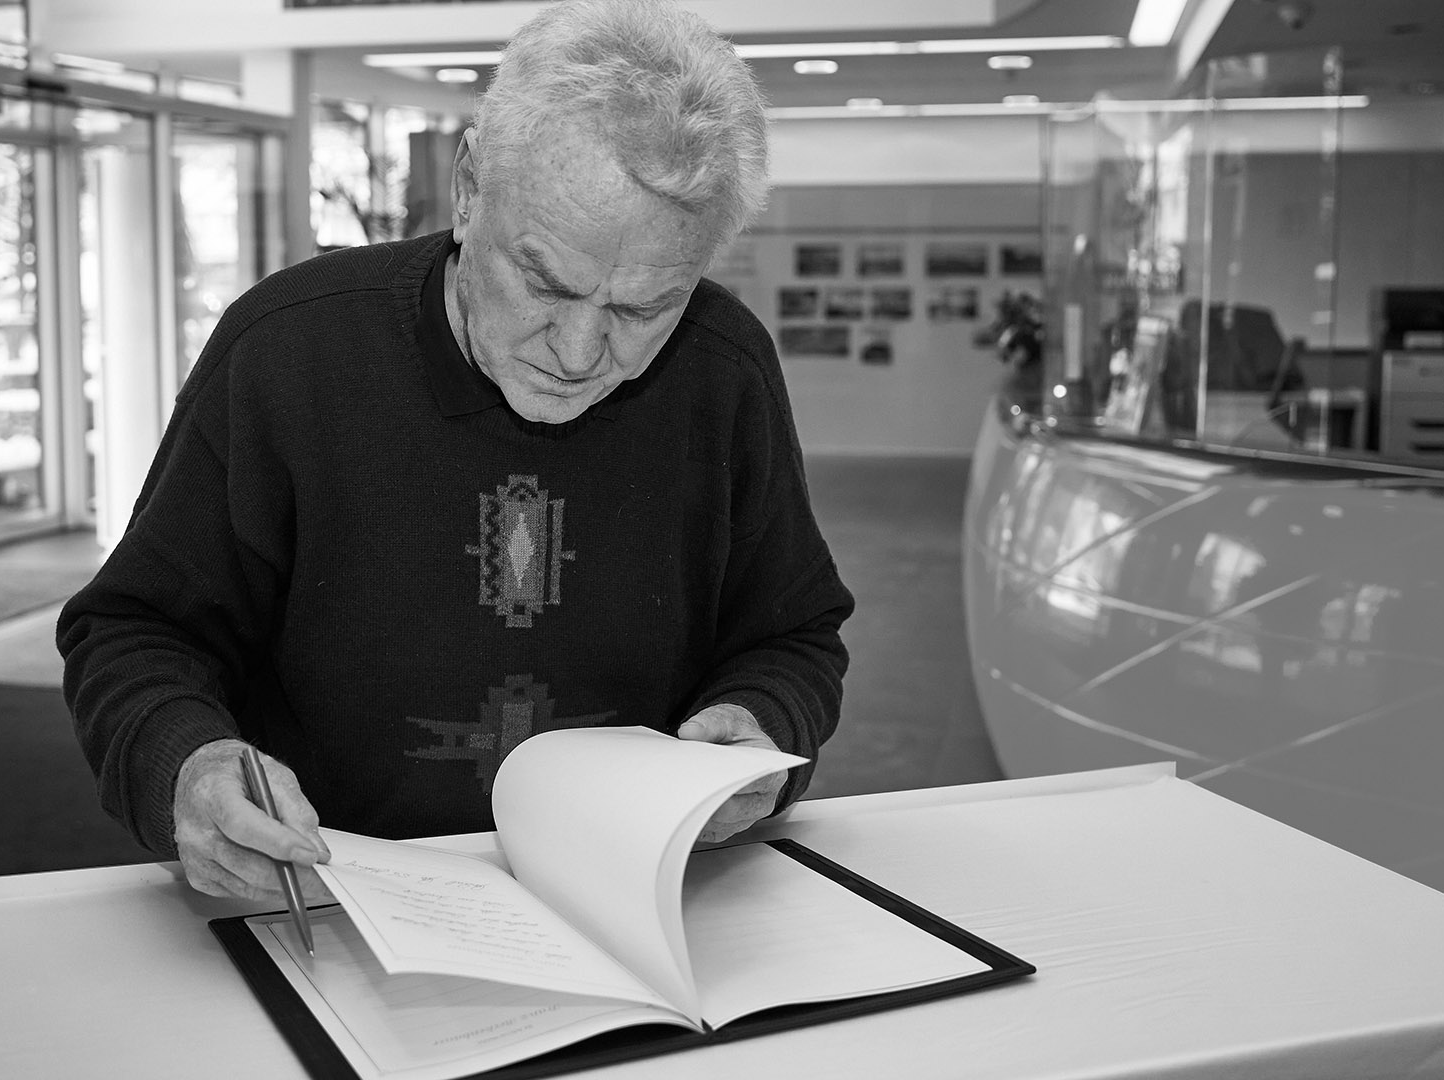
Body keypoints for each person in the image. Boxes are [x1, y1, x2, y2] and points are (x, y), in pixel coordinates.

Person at [57, 0, 854, 904]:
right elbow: (134, 632)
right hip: (323, 897)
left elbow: (792, 634)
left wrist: (757, 725)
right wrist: (185, 765)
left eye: (643, 310)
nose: (582, 352)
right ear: (470, 189)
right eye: (546, 283)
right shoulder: (288, 351)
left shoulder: (724, 370)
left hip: (634, 898)